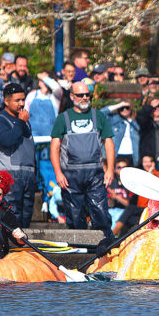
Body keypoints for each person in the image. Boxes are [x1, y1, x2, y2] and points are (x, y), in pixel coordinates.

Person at [50, 81, 115, 238]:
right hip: (71, 175)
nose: (85, 97)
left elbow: (109, 143)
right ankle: (78, 250)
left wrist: (110, 169)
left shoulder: (99, 116)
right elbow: (54, 147)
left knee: (100, 213)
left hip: (95, 174)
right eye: (80, 95)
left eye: (87, 94)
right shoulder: (63, 118)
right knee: (75, 215)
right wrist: (58, 173)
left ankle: (105, 247)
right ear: (72, 96)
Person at [0, 83, 36, 228]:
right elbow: (7, 140)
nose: (21, 104)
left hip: (28, 175)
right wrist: (21, 122)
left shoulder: (25, 122)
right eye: (17, 100)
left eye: (23, 99)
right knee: (11, 217)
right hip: (7, 175)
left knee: (26, 216)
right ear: (6, 101)